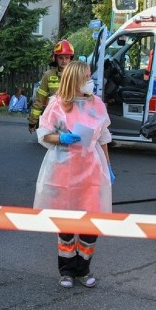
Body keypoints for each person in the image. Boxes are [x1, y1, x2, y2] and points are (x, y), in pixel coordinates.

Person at [34, 60, 112, 289]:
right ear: (74, 80)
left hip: (91, 171)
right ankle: (66, 271)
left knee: (89, 224)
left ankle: (84, 269)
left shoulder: (96, 104)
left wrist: (108, 166)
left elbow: (104, 137)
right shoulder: (57, 104)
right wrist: (61, 138)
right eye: (86, 77)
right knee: (66, 225)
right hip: (64, 170)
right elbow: (44, 133)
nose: (91, 81)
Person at [28, 39, 75, 133]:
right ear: (55, 58)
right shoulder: (48, 75)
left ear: (71, 58)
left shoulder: (77, 74)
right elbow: (39, 100)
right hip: (54, 119)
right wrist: (33, 121)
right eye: (61, 58)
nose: (64, 61)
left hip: (73, 119)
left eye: (67, 57)